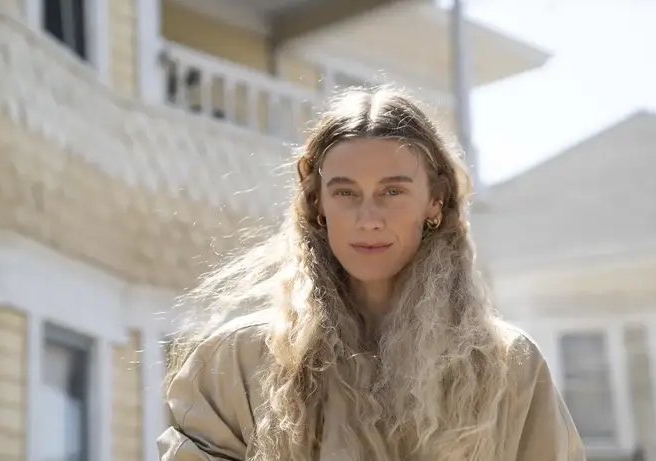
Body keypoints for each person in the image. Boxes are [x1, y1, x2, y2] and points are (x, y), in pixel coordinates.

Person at [158, 87, 586, 461]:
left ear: (435, 201)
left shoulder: (508, 367)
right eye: (345, 192)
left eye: (392, 191)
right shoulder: (239, 361)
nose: (368, 219)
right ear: (318, 204)